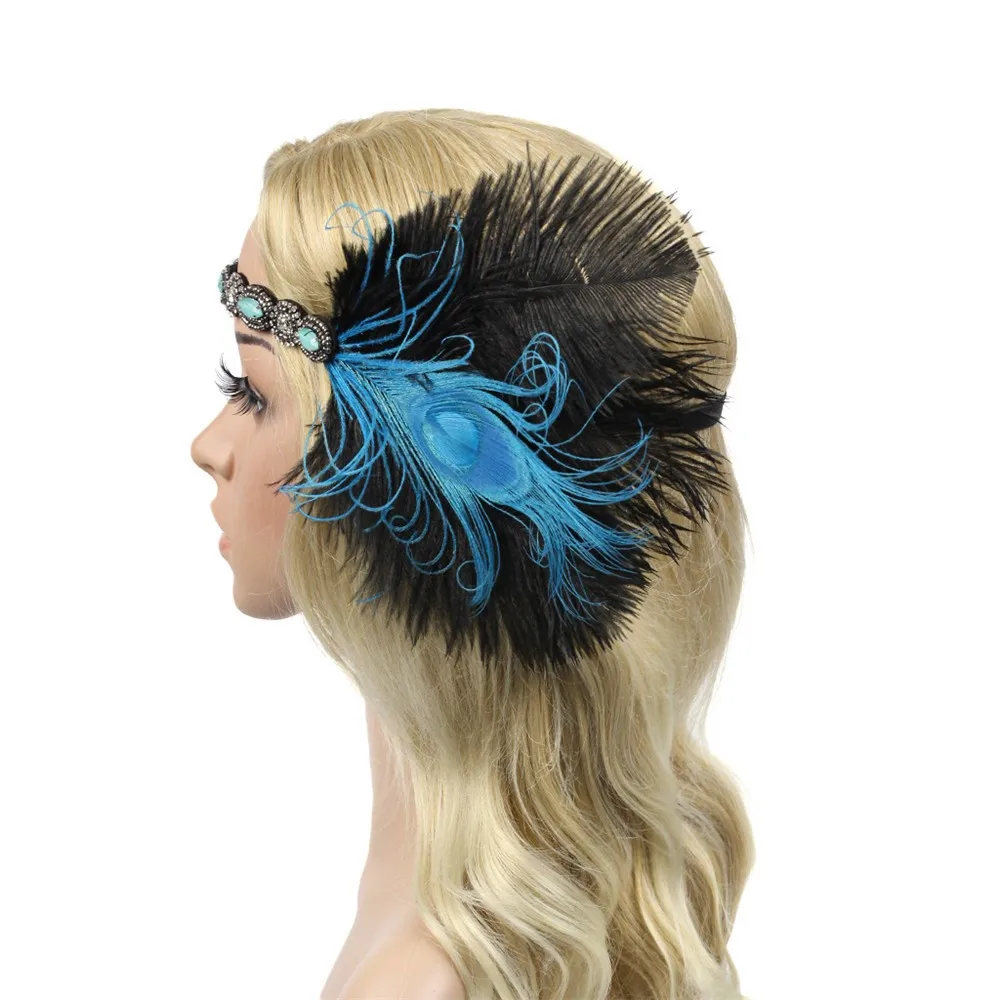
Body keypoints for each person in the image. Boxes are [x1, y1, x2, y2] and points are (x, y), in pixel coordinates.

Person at [191, 108, 753, 1000]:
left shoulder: (423, 980)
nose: (207, 446)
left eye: (252, 391)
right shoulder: (483, 920)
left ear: (417, 459)